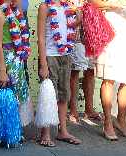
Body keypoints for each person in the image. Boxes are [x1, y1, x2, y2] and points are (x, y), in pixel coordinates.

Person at [89, 0, 126, 141]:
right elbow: (93, 3)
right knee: (108, 79)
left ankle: (121, 120)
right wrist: (116, 4)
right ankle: (107, 122)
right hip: (109, 34)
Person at [37, 0, 82, 147]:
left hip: (66, 55)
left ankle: (63, 130)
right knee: (49, 95)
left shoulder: (68, 7)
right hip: (50, 56)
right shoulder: (45, 7)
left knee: (64, 93)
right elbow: (41, 38)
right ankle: (46, 132)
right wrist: (43, 63)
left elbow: (73, 31)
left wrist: (79, 18)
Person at [0, 0, 33, 134]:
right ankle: (5, 132)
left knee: (18, 95)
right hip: (5, 59)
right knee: (7, 96)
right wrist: (2, 70)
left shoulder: (17, 13)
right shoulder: (0, 15)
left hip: (17, 59)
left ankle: (15, 130)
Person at [68, 0, 102, 124]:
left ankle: (89, 109)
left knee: (90, 71)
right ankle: (73, 110)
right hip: (77, 33)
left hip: (92, 33)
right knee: (75, 72)